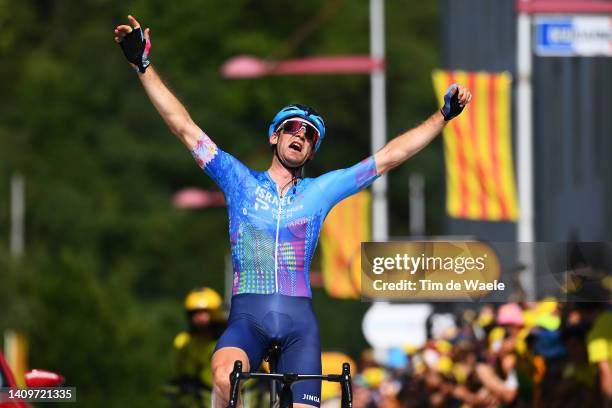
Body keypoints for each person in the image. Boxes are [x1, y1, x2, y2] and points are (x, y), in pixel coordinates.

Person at [113, 15, 472, 408]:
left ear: (312, 150)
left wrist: (443, 117)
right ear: (275, 136)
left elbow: (388, 158)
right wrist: (143, 67)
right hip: (247, 318)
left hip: (300, 326)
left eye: (309, 134)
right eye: (293, 128)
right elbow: (183, 127)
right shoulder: (239, 181)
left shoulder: (320, 192)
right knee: (223, 379)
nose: (300, 135)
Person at [166, 287, 226, 407]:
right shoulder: (184, 342)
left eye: (204, 312)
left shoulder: (230, 338)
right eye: (194, 313)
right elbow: (178, 373)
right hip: (200, 399)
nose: (199, 318)